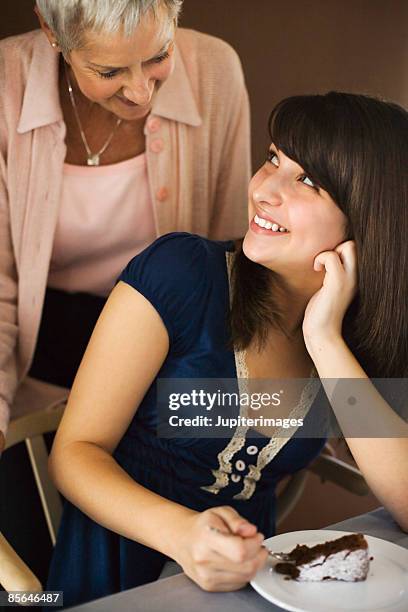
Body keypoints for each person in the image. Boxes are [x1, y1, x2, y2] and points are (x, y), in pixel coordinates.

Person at [48, 91, 408, 607]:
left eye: (306, 180)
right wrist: (183, 535)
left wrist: (325, 340)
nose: (264, 190)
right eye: (273, 160)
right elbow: (75, 453)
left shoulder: (356, 333)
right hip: (113, 579)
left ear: (370, 219)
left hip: (246, 590)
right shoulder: (182, 273)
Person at [0, 0, 251, 582]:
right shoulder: (7, 82)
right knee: (39, 566)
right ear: (50, 32)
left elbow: (228, 264)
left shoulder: (217, 71)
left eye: (159, 56)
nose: (140, 94)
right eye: (109, 72)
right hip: (34, 364)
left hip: (168, 372)